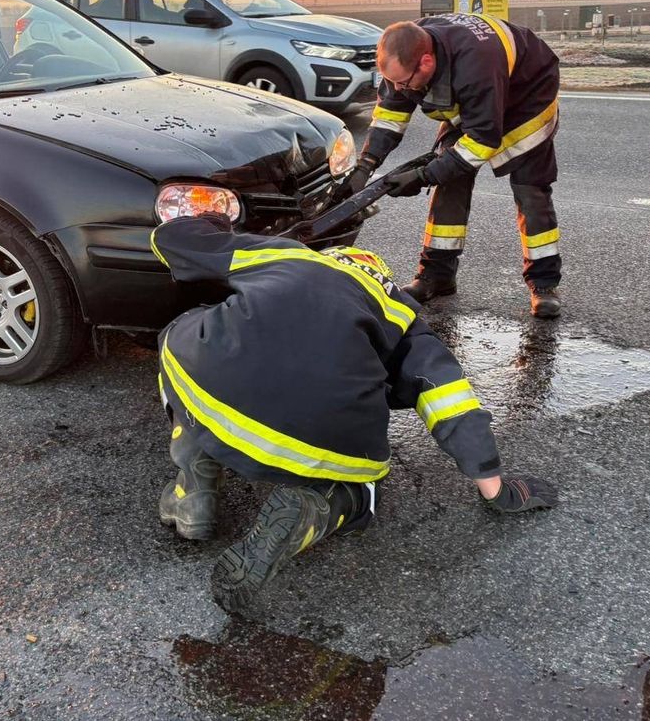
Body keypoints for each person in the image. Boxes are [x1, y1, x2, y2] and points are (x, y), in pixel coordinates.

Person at [150, 214, 557, 613]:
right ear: (383, 279)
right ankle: (315, 507)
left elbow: (171, 239)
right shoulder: (402, 315)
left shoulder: (288, 255)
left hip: (219, 384)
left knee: (185, 338)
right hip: (323, 429)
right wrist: (497, 488)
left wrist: (217, 222)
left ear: (335, 257)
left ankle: (193, 493)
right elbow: (451, 404)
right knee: (365, 485)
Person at [344, 14, 563, 317]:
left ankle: (543, 284)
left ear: (426, 63)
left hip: (526, 96)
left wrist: (422, 176)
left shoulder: (476, 65)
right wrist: (364, 166)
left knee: (530, 190)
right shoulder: (406, 54)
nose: (398, 88)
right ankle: (436, 276)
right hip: (474, 102)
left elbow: (482, 142)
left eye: (402, 82)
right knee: (449, 182)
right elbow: (390, 116)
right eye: (391, 82)